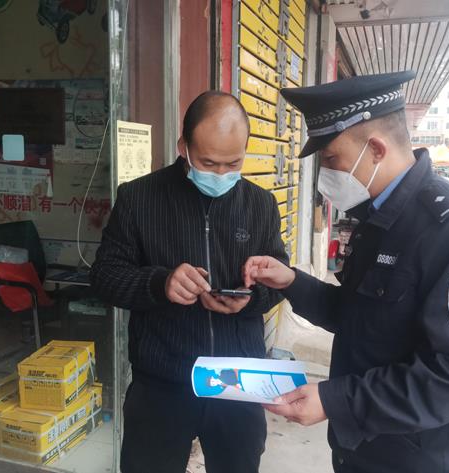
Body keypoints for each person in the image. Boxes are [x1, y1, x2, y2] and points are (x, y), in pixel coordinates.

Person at [243, 71, 449, 473]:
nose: (325, 175)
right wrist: (292, 282)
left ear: (375, 149)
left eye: (331, 160)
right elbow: (359, 317)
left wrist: (336, 400)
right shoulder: (378, 218)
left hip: (419, 462)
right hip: (364, 452)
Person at [91, 91, 287, 473]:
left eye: (233, 163)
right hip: (162, 381)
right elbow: (104, 277)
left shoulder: (260, 204)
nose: (221, 174)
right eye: (208, 162)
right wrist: (160, 284)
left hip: (237, 382)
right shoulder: (138, 198)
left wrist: (253, 297)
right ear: (183, 147)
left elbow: (278, 277)